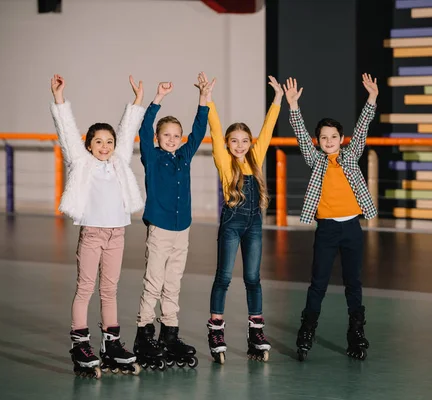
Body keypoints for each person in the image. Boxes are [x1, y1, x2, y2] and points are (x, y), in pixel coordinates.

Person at [50, 74, 145, 377]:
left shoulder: (119, 161)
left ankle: (112, 345)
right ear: (88, 146)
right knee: (85, 288)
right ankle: (80, 344)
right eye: (98, 142)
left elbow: (128, 130)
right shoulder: (82, 163)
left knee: (110, 290)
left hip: (117, 233)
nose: (105, 146)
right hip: (92, 234)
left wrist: (137, 102)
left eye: (109, 142)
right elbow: (66, 133)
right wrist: (59, 98)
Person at [284, 74, 378, 362]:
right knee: (318, 283)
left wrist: (372, 98)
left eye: (333, 137)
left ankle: (356, 334)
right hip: (326, 229)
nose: (328, 141)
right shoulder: (315, 160)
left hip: (351, 227)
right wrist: (293, 106)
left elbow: (362, 128)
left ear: (341, 139)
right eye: (323, 137)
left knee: (354, 282)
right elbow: (300, 135)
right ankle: (307, 332)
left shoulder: (350, 157)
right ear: (318, 141)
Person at [133, 73, 211, 370]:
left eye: (176, 136)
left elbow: (199, 130)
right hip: (160, 229)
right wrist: (157, 99)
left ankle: (170, 333)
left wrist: (202, 98)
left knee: (174, 283)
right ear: (158, 138)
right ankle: (144, 332)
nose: (172, 139)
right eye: (166, 135)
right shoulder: (151, 158)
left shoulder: (184, 157)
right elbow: (142, 128)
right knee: (153, 282)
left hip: (182, 229)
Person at [204, 73, 283, 363]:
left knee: (253, 277)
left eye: (244, 141)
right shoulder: (224, 162)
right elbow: (214, 130)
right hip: (232, 224)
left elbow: (269, 127)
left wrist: (277, 99)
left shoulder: (255, 158)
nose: (239, 145)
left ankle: (256, 332)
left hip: (254, 225)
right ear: (227, 144)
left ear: (251, 143)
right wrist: (209, 101)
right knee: (224, 277)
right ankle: (216, 329)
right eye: (234, 141)